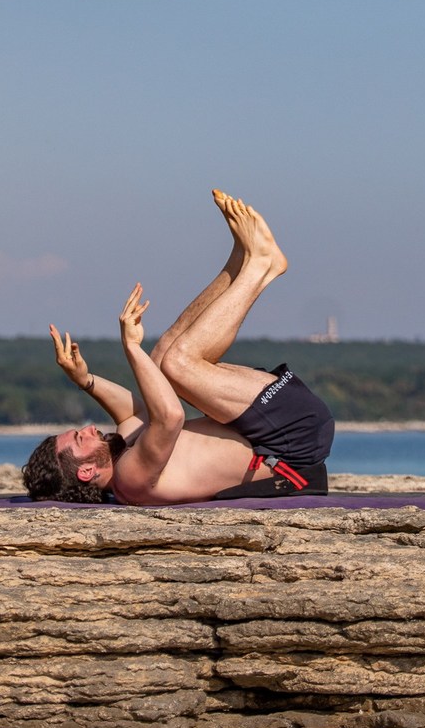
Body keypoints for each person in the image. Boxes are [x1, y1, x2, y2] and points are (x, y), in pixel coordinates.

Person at [21, 191, 335, 506]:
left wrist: (85, 380)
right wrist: (131, 347)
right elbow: (170, 416)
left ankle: (239, 261)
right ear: (87, 471)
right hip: (292, 440)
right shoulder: (131, 479)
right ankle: (260, 267)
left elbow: (133, 411)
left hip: (280, 429)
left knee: (161, 362)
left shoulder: (128, 454)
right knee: (176, 365)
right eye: (80, 439)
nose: (89, 429)